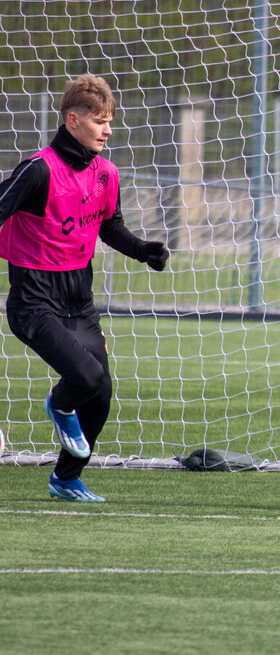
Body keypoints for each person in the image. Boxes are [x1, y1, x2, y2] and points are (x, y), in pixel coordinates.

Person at [0, 75, 170, 502]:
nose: (108, 130)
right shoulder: (39, 170)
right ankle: (58, 405)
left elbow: (110, 226)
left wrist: (142, 249)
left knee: (101, 392)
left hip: (79, 299)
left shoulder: (106, 173)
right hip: (33, 301)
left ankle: (66, 479)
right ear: (73, 120)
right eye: (100, 121)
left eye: (110, 121)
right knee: (85, 376)